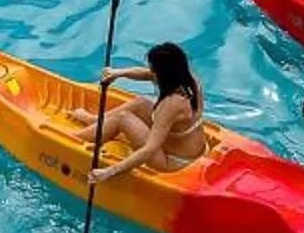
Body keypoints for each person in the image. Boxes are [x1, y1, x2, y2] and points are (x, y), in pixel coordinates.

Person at [81, 41, 212, 181]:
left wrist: (109, 172)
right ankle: (95, 121)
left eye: (153, 70)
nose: (151, 73)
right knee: (142, 103)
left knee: (122, 118)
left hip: (174, 162)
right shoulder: (189, 79)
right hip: (198, 151)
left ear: (163, 74)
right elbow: (147, 74)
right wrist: (118, 73)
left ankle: (76, 137)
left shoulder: (171, 104)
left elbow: (150, 150)